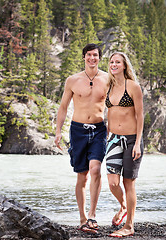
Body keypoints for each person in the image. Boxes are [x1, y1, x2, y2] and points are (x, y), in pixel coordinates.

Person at [54, 43, 109, 234]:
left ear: (99, 58)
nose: (92, 58)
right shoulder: (73, 80)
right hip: (77, 131)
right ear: (84, 57)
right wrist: (58, 131)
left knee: (95, 169)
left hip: (99, 129)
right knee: (82, 175)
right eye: (89, 55)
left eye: (95, 55)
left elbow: (118, 103)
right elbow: (63, 107)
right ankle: (82, 217)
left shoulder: (108, 79)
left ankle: (92, 215)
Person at [104, 52, 144, 238]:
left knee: (129, 183)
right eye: (111, 62)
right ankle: (124, 206)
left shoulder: (133, 87)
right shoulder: (109, 86)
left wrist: (137, 143)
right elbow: (109, 113)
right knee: (113, 182)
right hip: (113, 139)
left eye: (117, 62)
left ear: (125, 65)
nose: (114, 65)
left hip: (131, 139)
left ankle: (129, 226)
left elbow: (140, 115)